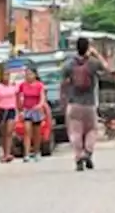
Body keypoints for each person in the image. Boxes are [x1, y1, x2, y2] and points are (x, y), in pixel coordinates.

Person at [62, 36, 108, 172]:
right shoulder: (93, 63)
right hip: (89, 104)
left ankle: (78, 157)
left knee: (75, 132)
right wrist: (97, 54)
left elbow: (63, 83)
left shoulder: (69, 64)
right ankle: (87, 152)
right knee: (92, 130)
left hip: (73, 104)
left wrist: (64, 101)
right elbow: (107, 68)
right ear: (88, 48)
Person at [16, 65, 51, 163]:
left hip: (36, 110)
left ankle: (36, 152)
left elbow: (42, 97)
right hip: (27, 110)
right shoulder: (22, 85)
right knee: (27, 131)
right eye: (26, 74)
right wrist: (20, 109)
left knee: (37, 133)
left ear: (35, 75)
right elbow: (18, 96)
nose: (28, 76)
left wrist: (40, 105)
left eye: (30, 74)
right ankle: (26, 154)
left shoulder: (39, 85)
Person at [0, 69, 19, 163]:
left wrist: (19, 109)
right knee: (4, 133)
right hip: (1, 110)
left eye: (8, 75)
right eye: (4, 75)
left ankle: (8, 153)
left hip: (11, 109)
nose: (6, 77)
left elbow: (17, 98)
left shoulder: (13, 87)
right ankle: (5, 153)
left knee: (9, 131)